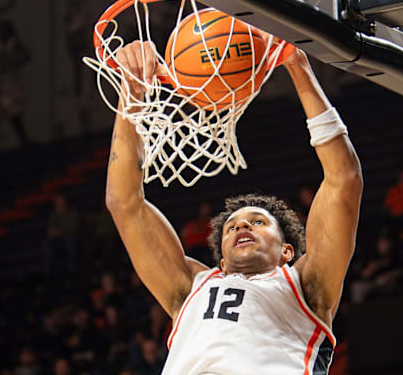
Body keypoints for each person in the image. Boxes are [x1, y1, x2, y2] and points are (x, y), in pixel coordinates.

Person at [105, 40, 362, 374]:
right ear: (222, 261)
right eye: (232, 227)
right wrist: (133, 91)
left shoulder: (306, 284)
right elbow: (124, 203)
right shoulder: (190, 287)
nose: (242, 227)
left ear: (286, 251)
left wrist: (297, 65)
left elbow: (343, 179)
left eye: (258, 222)